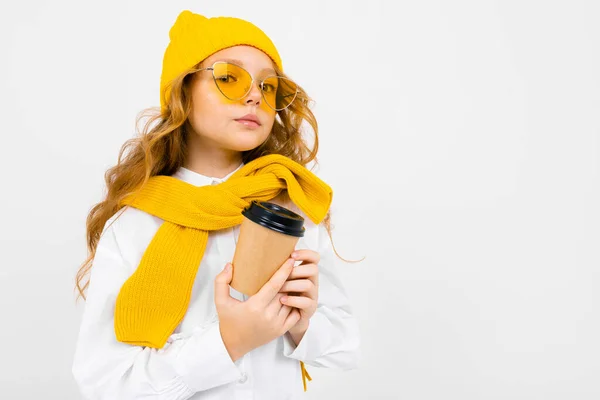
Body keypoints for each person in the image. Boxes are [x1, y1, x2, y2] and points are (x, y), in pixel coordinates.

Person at [71, 9, 361, 400]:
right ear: (182, 93)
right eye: (229, 77)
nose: (255, 95)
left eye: (269, 86)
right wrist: (228, 342)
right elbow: (105, 384)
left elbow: (344, 344)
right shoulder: (136, 222)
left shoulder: (292, 207)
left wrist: (303, 324)